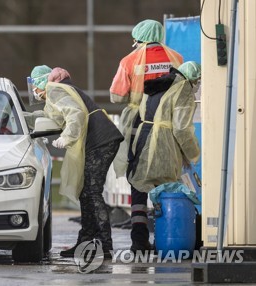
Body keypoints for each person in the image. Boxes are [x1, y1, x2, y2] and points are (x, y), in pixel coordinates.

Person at [26, 65, 124, 258]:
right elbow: (50, 116)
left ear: (41, 82)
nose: (34, 91)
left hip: (100, 141)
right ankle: (86, 241)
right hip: (100, 141)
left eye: (35, 85)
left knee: (92, 192)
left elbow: (75, 113)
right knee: (85, 192)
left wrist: (67, 137)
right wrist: (25, 118)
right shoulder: (61, 89)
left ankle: (105, 244)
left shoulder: (56, 90)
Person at [109, 19, 183, 252]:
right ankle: (169, 236)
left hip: (139, 126)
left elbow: (116, 97)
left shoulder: (129, 61)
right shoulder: (177, 58)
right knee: (169, 178)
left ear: (138, 38)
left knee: (138, 181)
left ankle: (139, 241)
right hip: (169, 125)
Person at [128, 61, 201, 195]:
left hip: (143, 138)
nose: (198, 85)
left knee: (150, 186)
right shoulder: (183, 88)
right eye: (198, 80)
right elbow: (181, 129)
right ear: (192, 78)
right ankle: (171, 216)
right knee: (168, 188)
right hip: (162, 142)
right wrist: (194, 154)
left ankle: (144, 214)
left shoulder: (160, 84)